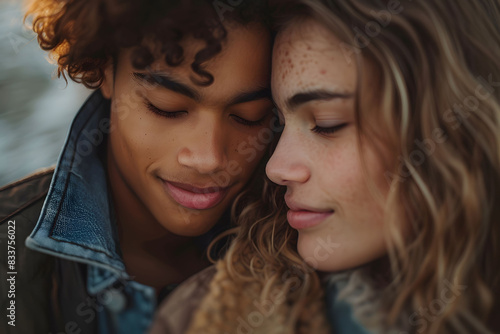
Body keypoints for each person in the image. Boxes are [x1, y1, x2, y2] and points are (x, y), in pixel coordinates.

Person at [150, 0, 500, 333]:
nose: (277, 167)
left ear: (454, 130)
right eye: (277, 124)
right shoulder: (203, 317)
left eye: (327, 123)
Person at [0, 0, 276, 333]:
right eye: (168, 108)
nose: (209, 158)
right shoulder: (8, 252)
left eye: (250, 116)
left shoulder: (310, 239)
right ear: (103, 68)